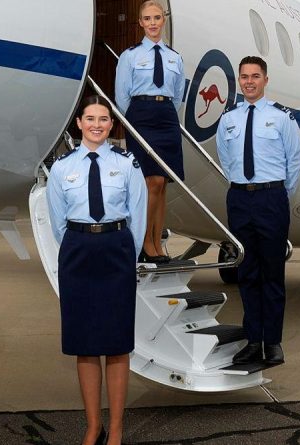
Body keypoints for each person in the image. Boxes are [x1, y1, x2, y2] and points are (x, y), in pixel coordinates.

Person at [47, 96, 146, 445]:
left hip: (116, 250)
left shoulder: (127, 164)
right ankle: (93, 427)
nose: (97, 125)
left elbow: (137, 215)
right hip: (77, 252)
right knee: (85, 345)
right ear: (79, 124)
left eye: (104, 119)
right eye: (90, 118)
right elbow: (58, 222)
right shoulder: (62, 168)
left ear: (111, 124)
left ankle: (116, 430)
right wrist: (81, 244)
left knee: (117, 345)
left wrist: (123, 254)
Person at [215, 56, 300, 365]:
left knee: (272, 274)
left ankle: (273, 342)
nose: (249, 81)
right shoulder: (229, 119)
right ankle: (253, 340)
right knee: (247, 273)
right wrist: (243, 187)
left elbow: (295, 160)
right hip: (240, 199)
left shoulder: (282, 117)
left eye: (255, 76)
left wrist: (278, 194)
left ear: (266, 80)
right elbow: (226, 159)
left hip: (271, 199)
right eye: (244, 77)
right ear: (239, 81)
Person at [115, 0, 185, 264]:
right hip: (140, 117)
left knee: (162, 184)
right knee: (149, 183)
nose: (153, 23)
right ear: (141, 23)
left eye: (157, 17)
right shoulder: (130, 56)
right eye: (147, 19)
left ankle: (156, 243)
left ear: (163, 20)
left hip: (166, 117)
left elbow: (177, 95)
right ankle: (145, 242)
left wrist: (163, 109)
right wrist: (135, 117)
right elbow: (122, 95)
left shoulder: (174, 58)